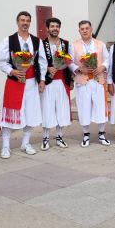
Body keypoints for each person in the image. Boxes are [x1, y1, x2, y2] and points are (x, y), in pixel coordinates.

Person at [0, 11, 47, 158]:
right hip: (14, 82)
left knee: (30, 112)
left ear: (30, 23)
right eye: (22, 20)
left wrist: (42, 80)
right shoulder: (8, 40)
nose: (25, 23)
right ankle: (5, 146)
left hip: (32, 82)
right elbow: (2, 62)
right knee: (10, 113)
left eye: (27, 20)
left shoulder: (37, 41)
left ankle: (25, 143)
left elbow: (42, 62)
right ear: (17, 22)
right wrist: (12, 71)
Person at [69, 20, 111, 147]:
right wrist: (79, 69)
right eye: (82, 29)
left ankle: (102, 134)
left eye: (87, 28)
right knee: (83, 107)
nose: (85, 30)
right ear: (79, 31)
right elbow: (70, 62)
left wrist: (102, 67)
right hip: (83, 80)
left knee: (100, 107)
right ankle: (86, 134)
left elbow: (107, 59)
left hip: (98, 80)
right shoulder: (74, 45)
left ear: (91, 29)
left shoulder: (100, 44)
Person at [40, 17, 72, 150]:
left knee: (62, 109)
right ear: (47, 28)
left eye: (57, 26)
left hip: (62, 81)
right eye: (52, 26)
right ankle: (45, 138)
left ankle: (59, 137)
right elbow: (38, 62)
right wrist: (48, 68)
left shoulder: (65, 43)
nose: (55, 28)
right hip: (48, 81)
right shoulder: (42, 43)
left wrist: (71, 81)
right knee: (47, 109)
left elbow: (70, 62)